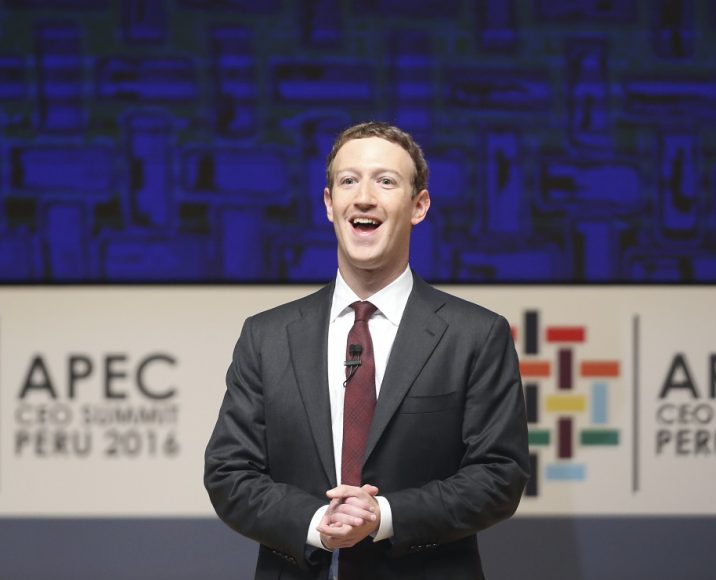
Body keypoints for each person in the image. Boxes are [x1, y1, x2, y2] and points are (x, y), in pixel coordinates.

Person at [204, 121, 529, 580]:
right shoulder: (267, 337)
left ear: (419, 206)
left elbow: (500, 475)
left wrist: (384, 516)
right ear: (329, 203)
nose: (364, 197)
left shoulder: (475, 335)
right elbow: (228, 472)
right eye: (349, 180)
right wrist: (318, 523)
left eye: (386, 181)